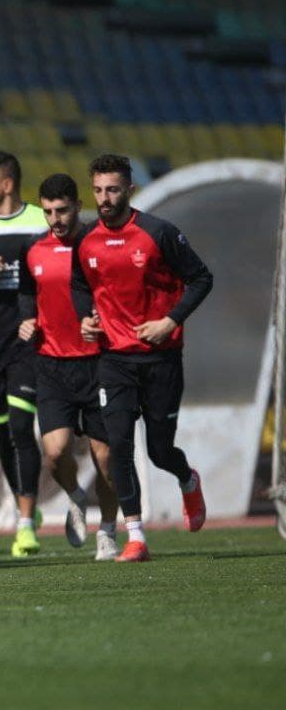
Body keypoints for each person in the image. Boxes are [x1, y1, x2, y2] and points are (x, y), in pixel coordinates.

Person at [71, 154, 211, 562]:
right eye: (98, 190)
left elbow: (201, 279)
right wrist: (86, 319)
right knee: (118, 445)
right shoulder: (85, 239)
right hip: (113, 359)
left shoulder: (159, 232)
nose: (104, 198)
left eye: (113, 190)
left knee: (159, 451)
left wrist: (170, 321)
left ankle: (187, 478)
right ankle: (136, 536)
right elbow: (79, 284)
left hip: (161, 358)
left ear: (129, 190)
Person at [18, 173, 121, 561]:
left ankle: (108, 531)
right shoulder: (33, 249)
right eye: (48, 212)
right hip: (52, 366)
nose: (55, 219)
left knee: (106, 458)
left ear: (78, 206)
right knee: (55, 453)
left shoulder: (99, 244)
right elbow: (26, 292)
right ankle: (76, 496)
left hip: (98, 364)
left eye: (62, 210)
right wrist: (26, 319)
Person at [0, 150, 60, 555]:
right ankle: (26, 506)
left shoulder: (41, 221)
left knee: (22, 426)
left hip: (26, 340)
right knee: (2, 431)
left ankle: (24, 523)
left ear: (6, 184)